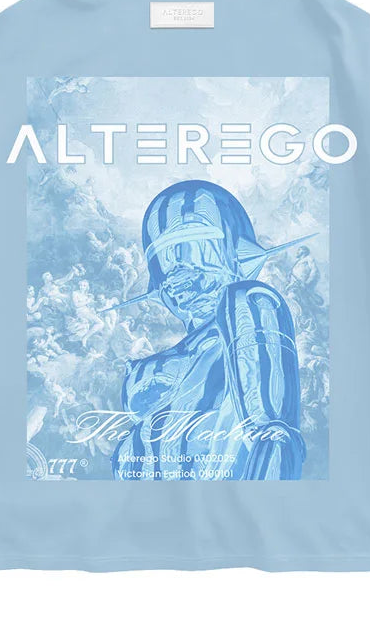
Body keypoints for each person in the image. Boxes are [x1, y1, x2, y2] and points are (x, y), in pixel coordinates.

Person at [110, 180, 311, 481]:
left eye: (188, 245)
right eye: (162, 258)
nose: (174, 274)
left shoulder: (247, 301)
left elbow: (272, 432)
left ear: (233, 252)